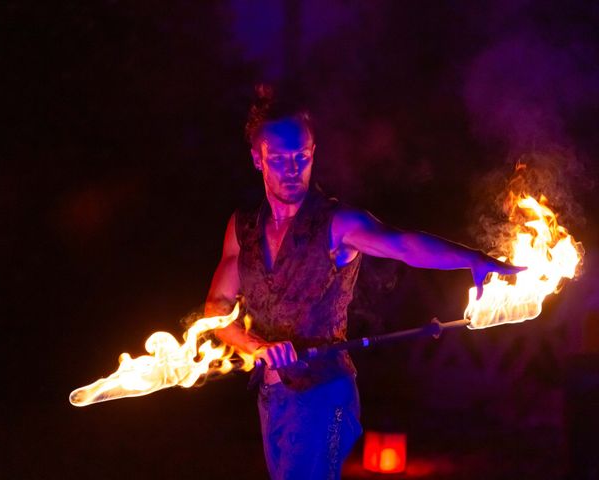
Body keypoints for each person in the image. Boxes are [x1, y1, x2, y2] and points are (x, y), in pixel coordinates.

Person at [204, 85, 524, 480]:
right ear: (258, 159)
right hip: (272, 397)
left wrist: (473, 260)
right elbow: (217, 310)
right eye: (280, 159)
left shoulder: (338, 223)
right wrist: (258, 346)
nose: (292, 169)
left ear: (313, 153)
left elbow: (403, 244)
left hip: (328, 397)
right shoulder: (244, 229)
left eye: (302, 157)